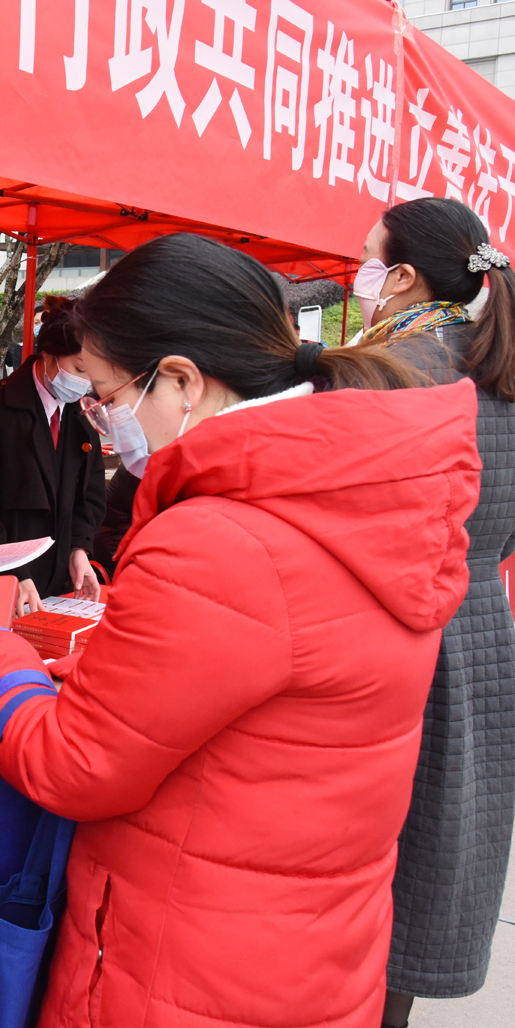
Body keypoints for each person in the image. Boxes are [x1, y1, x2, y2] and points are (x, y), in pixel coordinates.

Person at [0, 233, 480, 1028]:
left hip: (185, 966)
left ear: (182, 380)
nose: (110, 422)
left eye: (112, 397)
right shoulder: (365, 495)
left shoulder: (221, 538)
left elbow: (75, 765)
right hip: (310, 951)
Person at [353, 197, 515, 1027]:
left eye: (371, 259)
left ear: (405, 276)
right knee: (434, 870)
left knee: (374, 868)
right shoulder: (500, 363)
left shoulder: (397, 367)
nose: (361, 275)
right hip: (483, 625)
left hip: (402, 628)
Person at [0, 295, 105, 600]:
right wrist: (11, 571)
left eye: (93, 374)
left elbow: (91, 493)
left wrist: (79, 548)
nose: (85, 382)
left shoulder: (79, 414)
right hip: (5, 581)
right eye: (79, 369)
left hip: (62, 581)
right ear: (48, 354)